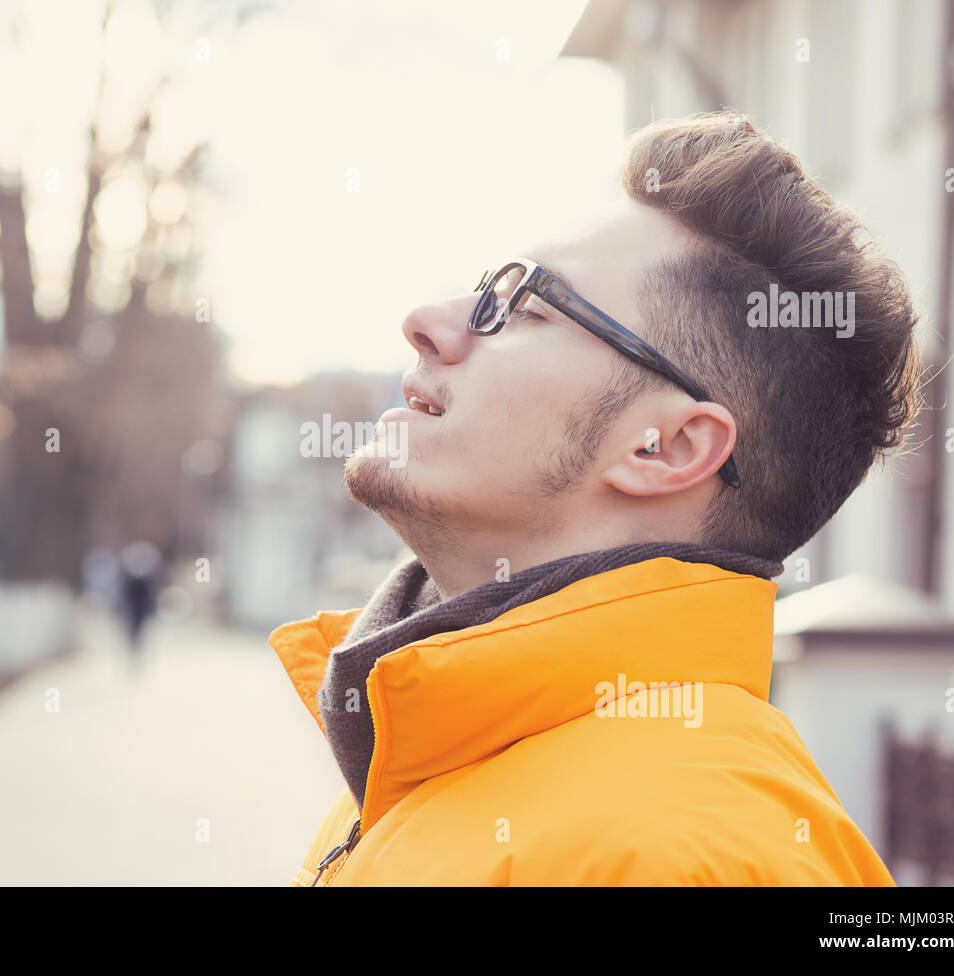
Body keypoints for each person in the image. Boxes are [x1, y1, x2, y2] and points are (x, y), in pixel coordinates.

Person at [271, 112, 919, 886]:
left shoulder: (686, 856)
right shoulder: (422, 762)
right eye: (484, 288)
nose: (430, 323)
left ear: (665, 448)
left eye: (528, 306)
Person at [119, 541, 162, 657]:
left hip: (140, 608)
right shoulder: (131, 579)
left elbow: (150, 595)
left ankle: (137, 647)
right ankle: (134, 647)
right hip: (134, 608)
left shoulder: (144, 579)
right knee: (134, 629)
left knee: (139, 629)